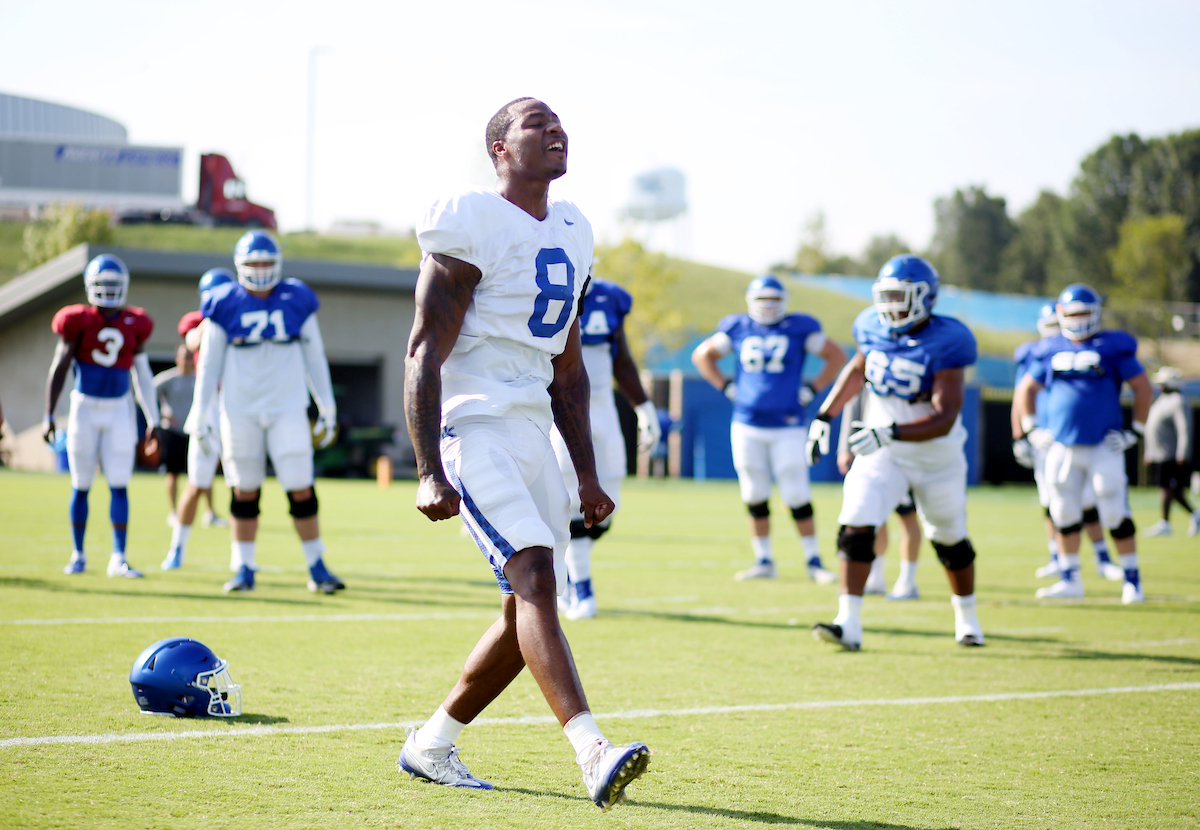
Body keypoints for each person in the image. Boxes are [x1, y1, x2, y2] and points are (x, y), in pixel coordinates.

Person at [400, 97, 649, 810]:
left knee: (525, 607)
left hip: (533, 423)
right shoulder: (471, 215)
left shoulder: (574, 229)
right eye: (536, 124)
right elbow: (423, 347)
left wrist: (589, 471)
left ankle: (433, 743)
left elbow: (568, 366)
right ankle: (592, 750)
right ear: (500, 149)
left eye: (560, 123)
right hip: (472, 420)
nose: (556, 130)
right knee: (535, 575)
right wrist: (427, 468)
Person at [806, 254, 984, 650]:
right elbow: (857, 369)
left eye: (899, 297)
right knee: (855, 521)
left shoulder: (949, 339)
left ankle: (967, 618)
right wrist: (823, 416)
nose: (890, 306)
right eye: (885, 296)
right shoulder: (871, 325)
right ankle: (848, 624)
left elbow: (945, 416)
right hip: (882, 450)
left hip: (934, 455)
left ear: (924, 298)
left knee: (949, 538)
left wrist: (890, 430)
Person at [185, 232, 343, 594]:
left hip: (287, 407)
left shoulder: (296, 298)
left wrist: (327, 404)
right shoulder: (223, 301)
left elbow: (314, 355)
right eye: (252, 263)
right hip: (239, 411)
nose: (259, 271)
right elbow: (208, 364)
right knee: (244, 490)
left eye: (265, 263)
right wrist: (200, 411)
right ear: (240, 266)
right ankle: (243, 567)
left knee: (301, 488)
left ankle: (317, 566)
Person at [692, 275, 846, 583]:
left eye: (774, 299)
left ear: (785, 302)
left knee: (796, 491)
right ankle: (764, 559)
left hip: (787, 423)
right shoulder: (737, 327)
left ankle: (813, 561)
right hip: (747, 423)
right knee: (754, 492)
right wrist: (725, 386)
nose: (768, 306)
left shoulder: (799, 327)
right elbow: (702, 355)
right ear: (751, 302)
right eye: (762, 300)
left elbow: (837, 355)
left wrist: (813, 388)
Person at [1013, 284, 1152, 603]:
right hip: (1061, 446)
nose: (1077, 320)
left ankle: (1132, 580)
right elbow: (1025, 390)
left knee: (1114, 510)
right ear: (1060, 315)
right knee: (1063, 512)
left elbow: (1143, 388)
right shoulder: (1049, 348)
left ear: (1096, 314)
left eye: (1083, 313)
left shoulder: (1111, 346)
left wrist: (1137, 431)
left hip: (1104, 445)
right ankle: (1070, 579)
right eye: (1071, 314)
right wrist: (1031, 429)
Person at [550, 277, 660, 620]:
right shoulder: (543, 285)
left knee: (609, 498)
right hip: (562, 404)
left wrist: (644, 407)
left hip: (603, 408)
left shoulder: (611, 297)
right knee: (572, 495)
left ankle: (563, 570)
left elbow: (622, 359)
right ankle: (583, 588)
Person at [43, 254, 159, 578]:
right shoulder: (78, 319)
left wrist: (153, 419)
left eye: (113, 285)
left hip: (119, 408)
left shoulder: (136, 322)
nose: (108, 292)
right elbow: (61, 366)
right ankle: (78, 554)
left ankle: (118, 557)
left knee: (119, 483)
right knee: (80, 484)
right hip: (85, 406)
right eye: (102, 285)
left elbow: (143, 375)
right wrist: (48, 413)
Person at [1012, 304, 1123, 582]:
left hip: (1076, 437)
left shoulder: (1083, 351)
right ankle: (1059, 559)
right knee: (1053, 502)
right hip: (1046, 439)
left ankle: (1102, 556)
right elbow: (1021, 396)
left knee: (1089, 500)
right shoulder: (1037, 356)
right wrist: (1021, 435)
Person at [162, 269, 233, 570]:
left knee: (241, 484)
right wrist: (214, 317)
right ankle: (177, 547)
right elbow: (191, 340)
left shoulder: (240, 318)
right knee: (195, 482)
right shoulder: (199, 321)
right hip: (207, 409)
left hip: (235, 405)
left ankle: (241, 557)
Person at [837, 393, 924, 600]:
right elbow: (854, 405)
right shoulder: (867, 365)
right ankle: (875, 576)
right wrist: (845, 447)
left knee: (907, 517)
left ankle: (907, 580)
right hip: (871, 451)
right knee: (874, 517)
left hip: (903, 451)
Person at [1141, 366, 1197, 537]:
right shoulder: (1161, 401)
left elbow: (1184, 428)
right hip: (1158, 453)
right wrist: (1149, 452)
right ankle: (1194, 516)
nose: (1160, 386)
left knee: (1168, 488)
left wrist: (1182, 451)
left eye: (1163, 383)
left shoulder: (1178, 400)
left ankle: (1165, 523)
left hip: (1171, 454)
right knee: (1174, 491)